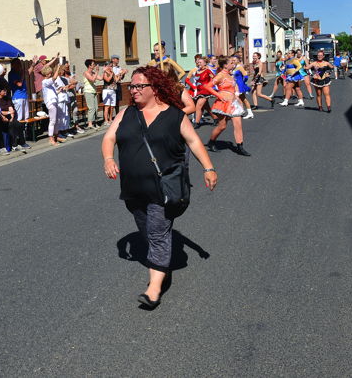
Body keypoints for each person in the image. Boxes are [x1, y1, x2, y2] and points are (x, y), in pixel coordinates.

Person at [101, 65, 217, 309]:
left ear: (154, 88)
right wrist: (109, 158)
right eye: (132, 86)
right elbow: (109, 137)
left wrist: (208, 168)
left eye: (139, 86)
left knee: (157, 232)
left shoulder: (175, 115)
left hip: (163, 188)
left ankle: (154, 288)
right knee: (146, 229)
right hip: (133, 189)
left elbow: (194, 141)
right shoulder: (126, 114)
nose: (134, 90)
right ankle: (160, 262)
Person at [204, 56, 251, 156]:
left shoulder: (231, 75)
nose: (233, 63)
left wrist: (237, 96)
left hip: (234, 103)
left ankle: (240, 147)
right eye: (231, 62)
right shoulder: (220, 75)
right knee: (222, 126)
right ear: (225, 65)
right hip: (224, 103)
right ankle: (211, 142)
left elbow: (234, 88)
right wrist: (218, 95)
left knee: (238, 125)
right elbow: (207, 86)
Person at [41, 63, 65, 146]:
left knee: (56, 120)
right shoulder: (45, 82)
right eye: (49, 73)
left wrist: (59, 90)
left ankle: (56, 136)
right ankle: (51, 138)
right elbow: (54, 78)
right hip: (50, 103)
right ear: (46, 74)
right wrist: (58, 67)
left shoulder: (49, 83)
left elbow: (54, 92)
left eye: (51, 73)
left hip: (54, 102)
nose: (51, 74)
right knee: (52, 121)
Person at [82, 59, 100, 129]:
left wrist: (106, 71)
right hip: (88, 92)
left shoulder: (93, 72)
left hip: (94, 91)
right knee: (91, 108)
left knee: (96, 108)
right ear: (89, 66)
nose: (94, 65)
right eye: (93, 64)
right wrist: (97, 71)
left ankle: (94, 123)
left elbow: (100, 78)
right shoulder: (86, 73)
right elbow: (92, 79)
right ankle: (90, 123)